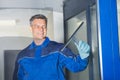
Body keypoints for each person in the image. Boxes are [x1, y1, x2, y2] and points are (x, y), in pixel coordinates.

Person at [13, 14, 90, 80]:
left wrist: (84, 56)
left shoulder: (58, 49)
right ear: (31, 28)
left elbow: (77, 66)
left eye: (44, 26)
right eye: (37, 26)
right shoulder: (22, 56)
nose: (41, 29)